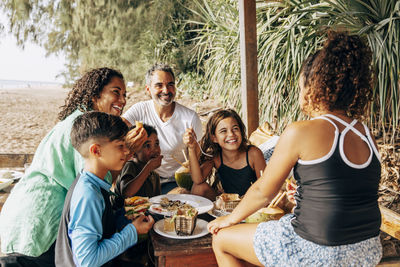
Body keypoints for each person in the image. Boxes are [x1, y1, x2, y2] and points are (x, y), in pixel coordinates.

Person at [207, 31, 382, 267]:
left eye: (300, 83)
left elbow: (263, 192)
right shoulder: (364, 132)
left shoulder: (300, 131)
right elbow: (346, 189)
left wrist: (230, 219)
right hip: (366, 249)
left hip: (319, 249)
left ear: (313, 85)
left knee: (222, 239)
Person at [0, 68, 146, 266]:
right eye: (116, 92)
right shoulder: (84, 131)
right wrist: (127, 149)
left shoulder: (87, 126)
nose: (123, 100)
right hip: (39, 219)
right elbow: (98, 179)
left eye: (124, 94)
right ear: (95, 95)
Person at [55, 111, 154, 267]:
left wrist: (124, 215)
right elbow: (87, 261)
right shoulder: (88, 195)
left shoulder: (92, 183)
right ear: (96, 151)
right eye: (120, 146)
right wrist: (133, 231)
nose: (127, 151)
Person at [122, 63, 203, 194]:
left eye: (170, 84)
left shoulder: (190, 118)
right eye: (159, 85)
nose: (166, 90)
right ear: (148, 89)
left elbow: (197, 164)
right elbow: (115, 133)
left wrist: (192, 146)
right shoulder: (139, 110)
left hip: (175, 183)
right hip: (142, 181)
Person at [183, 109, 266, 201]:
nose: (231, 134)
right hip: (228, 204)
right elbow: (198, 180)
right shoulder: (216, 157)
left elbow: (266, 186)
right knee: (198, 188)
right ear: (214, 138)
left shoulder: (253, 154)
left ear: (241, 132)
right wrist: (191, 148)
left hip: (252, 204)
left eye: (235, 129)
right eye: (223, 131)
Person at [113, 123, 163, 200]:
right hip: (122, 211)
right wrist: (148, 168)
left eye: (156, 144)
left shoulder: (155, 176)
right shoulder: (130, 166)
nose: (155, 150)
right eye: (147, 145)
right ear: (133, 152)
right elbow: (126, 194)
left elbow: (156, 201)